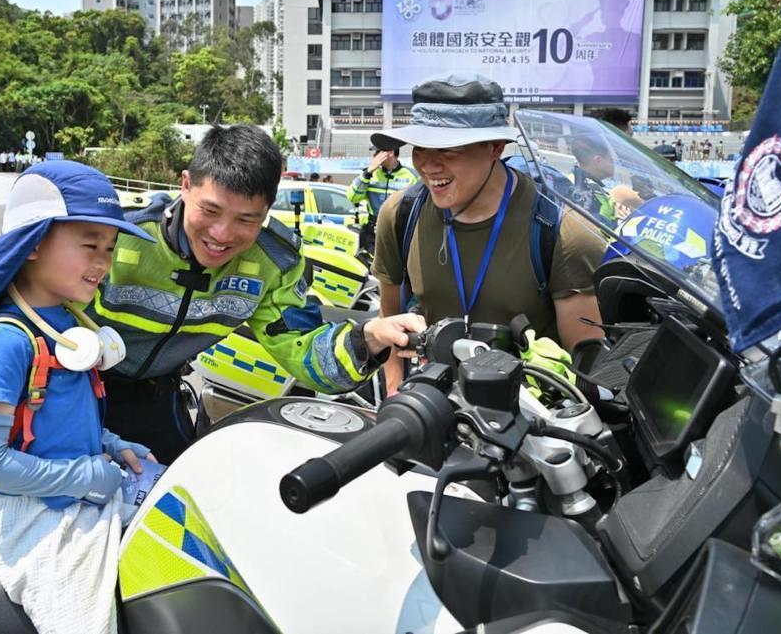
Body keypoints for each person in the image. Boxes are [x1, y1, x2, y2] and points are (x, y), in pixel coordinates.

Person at [86, 125, 425, 461]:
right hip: (74, 388)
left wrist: (369, 338)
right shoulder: (120, 233)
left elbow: (304, 350)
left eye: (246, 220)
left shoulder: (274, 264)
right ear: (185, 185)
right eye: (211, 210)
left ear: (267, 210)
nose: (222, 234)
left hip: (158, 398)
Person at [0, 161, 159, 634]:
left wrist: (109, 443)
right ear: (35, 242)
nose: (103, 262)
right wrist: (83, 476)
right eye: (89, 245)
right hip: (36, 520)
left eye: (110, 247)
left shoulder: (70, 324)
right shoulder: (8, 340)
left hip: (82, 492)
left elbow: (52, 421)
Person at [369, 74, 605, 394]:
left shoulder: (563, 232)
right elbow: (391, 321)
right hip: (434, 410)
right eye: (421, 146)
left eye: (448, 149)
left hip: (532, 425)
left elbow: (586, 369)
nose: (428, 164)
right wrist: (394, 401)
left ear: (495, 147)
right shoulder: (400, 214)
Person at [346, 147, 418, 254]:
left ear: (390, 152)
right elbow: (352, 197)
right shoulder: (371, 174)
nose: (373, 157)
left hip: (399, 233)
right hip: (373, 233)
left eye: (377, 153)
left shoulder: (411, 176)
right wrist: (367, 173)